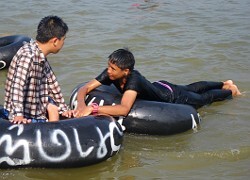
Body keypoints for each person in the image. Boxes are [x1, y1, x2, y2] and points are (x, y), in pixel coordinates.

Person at [74, 48, 241, 117]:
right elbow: (86, 87)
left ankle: (229, 90)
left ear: (125, 71)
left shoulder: (133, 81)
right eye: (109, 66)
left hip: (172, 97)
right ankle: (223, 82)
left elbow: (124, 109)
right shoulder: (111, 74)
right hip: (161, 85)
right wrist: (81, 104)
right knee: (192, 87)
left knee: (203, 99)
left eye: (112, 68)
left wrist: (94, 108)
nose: (108, 71)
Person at [3, 15, 73, 124]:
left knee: (53, 107)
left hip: (34, 106)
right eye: (63, 40)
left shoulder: (40, 55)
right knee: (50, 109)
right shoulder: (28, 56)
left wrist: (64, 109)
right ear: (55, 41)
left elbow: (52, 83)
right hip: (23, 114)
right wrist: (19, 115)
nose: (63, 43)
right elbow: (17, 85)